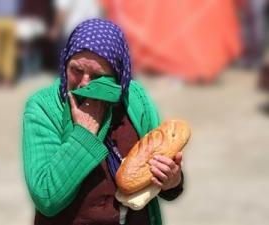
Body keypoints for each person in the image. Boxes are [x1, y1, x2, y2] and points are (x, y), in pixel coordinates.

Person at [22, 18, 184, 225]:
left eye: (98, 76)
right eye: (76, 70)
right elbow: (46, 197)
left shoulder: (135, 99)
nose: (83, 84)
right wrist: (85, 133)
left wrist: (172, 180)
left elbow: (156, 165)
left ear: (118, 76)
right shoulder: (43, 107)